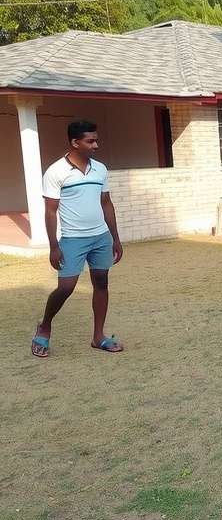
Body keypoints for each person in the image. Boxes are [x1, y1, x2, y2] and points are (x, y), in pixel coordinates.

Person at [30, 120, 123, 357]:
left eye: (96, 140)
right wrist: (53, 246)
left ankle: (98, 336)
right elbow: (50, 210)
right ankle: (44, 326)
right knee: (66, 288)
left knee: (101, 283)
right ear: (75, 142)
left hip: (100, 237)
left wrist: (115, 238)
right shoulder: (56, 172)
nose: (95, 145)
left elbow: (106, 203)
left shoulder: (100, 169)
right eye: (90, 141)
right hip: (72, 240)